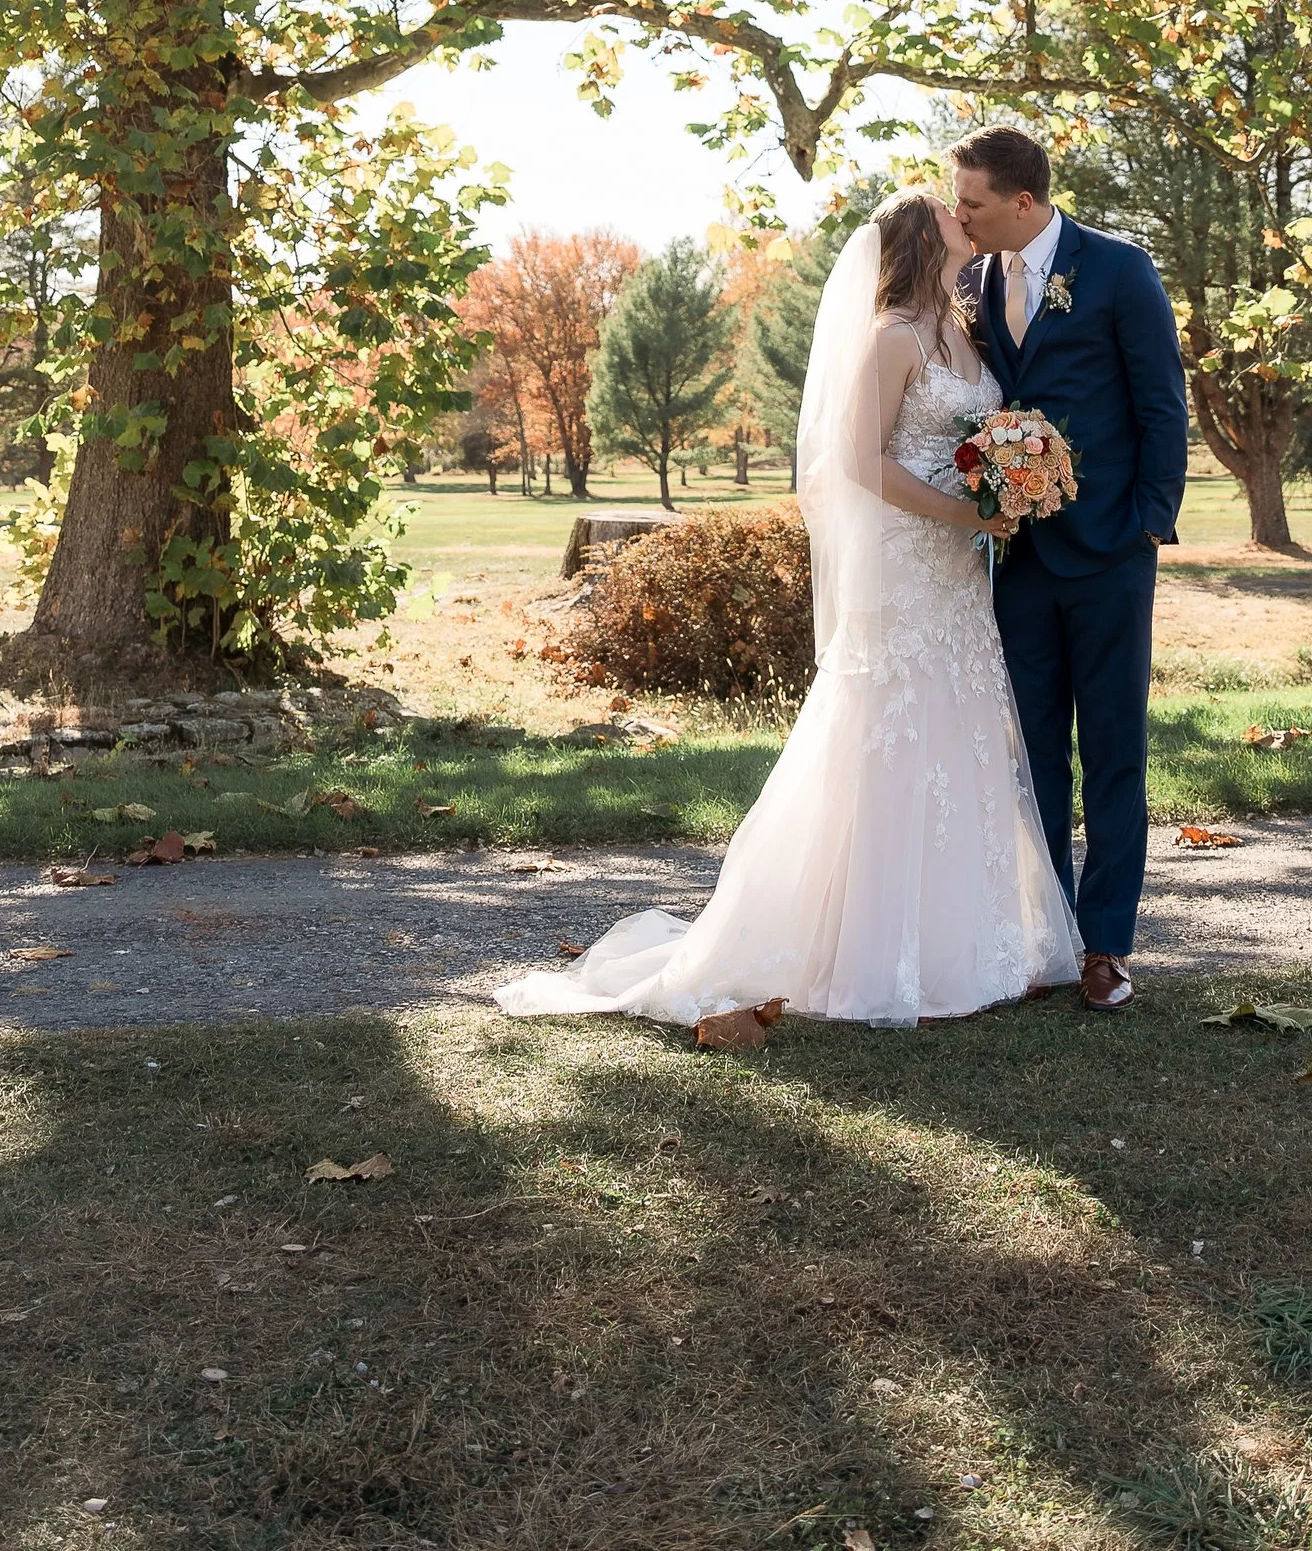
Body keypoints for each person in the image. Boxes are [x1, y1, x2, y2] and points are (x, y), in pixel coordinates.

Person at [493, 190, 1080, 1029]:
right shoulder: (890, 338)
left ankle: (970, 945)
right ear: (920, 240)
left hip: (956, 569)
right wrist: (966, 512)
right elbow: (856, 461)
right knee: (891, 729)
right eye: (950, 214)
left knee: (962, 726)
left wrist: (1009, 480)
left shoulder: (960, 325)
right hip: (908, 562)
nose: (965, 217)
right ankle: (864, 949)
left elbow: (971, 437)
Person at [951, 123, 1189, 1012]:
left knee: (1115, 749)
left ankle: (1107, 946)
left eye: (972, 202)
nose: (960, 216)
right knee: (1034, 752)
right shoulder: (971, 281)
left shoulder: (1119, 269)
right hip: (1013, 558)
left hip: (1109, 554)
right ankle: (1046, 937)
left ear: (1022, 201)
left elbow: (1162, 404)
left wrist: (1147, 526)